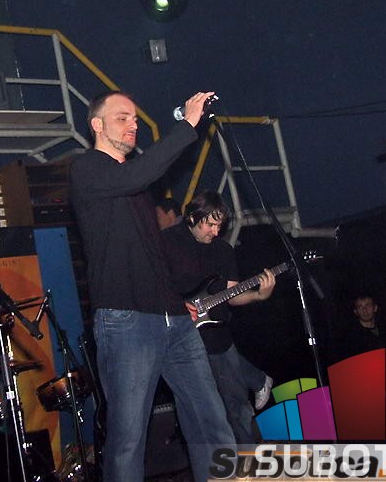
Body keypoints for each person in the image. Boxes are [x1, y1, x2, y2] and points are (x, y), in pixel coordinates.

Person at [69, 90, 234, 482]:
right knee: (128, 440)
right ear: (97, 125)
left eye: (135, 119)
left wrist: (175, 300)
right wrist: (187, 125)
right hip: (126, 320)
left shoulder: (136, 184)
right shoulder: (87, 168)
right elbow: (137, 174)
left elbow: (152, 255)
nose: (133, 124)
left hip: (173, 319)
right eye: (122, 117)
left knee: (211, 421)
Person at [161, 190, 275, 444]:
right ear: (193, 217)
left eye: (219, 226)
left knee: (238, 407)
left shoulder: (223, 250)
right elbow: (154, 285)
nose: (215, 231)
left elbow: (233, 294)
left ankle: (248, 460)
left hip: (218, 339)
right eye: (210, 224)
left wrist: (259, 295)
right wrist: (177, 305)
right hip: (181, 338)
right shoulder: (167, 241)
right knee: (199, 412)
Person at [339, 294, 386, 360]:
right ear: (355, 311)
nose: (364, 310)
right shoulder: (351, 338)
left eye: (368, 305)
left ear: (375, 308)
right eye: (360, 307)